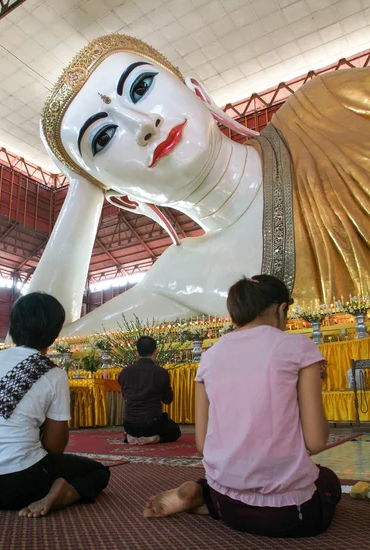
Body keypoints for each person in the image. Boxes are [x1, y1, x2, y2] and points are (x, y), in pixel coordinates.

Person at [22, 33, 370, 335]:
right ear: (122, 198)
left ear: (198, 93)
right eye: (103, 137)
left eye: (140, 87)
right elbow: (35, 350)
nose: (143, 124)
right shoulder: (179, 277)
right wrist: (84, 191)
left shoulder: (329, 106)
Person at [143, 275, 341, 538]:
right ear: (281, 309)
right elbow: (316, 443)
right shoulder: (299, 347)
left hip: (226, 502)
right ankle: (207, 497)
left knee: (234, 478)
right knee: (329, 481)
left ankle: (203, 495)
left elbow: (201, 445)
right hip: (288, 513)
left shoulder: (209, 356)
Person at [0, 292, 110, 517]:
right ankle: (67, 493)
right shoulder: (54, 374)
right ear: (54, 335)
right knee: (98, 471)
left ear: (13, 327)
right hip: (22, 487)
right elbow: (55, 446)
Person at [118, 336, 181, 445]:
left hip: (129, 424)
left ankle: (130, 435)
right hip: (152, 425)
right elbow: (168, 399)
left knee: (137, 423)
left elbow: (126, 396)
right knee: (174, 430)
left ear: (137, 353)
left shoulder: (124, 372)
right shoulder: (161, 372)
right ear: (155, 352)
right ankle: (153, 438)